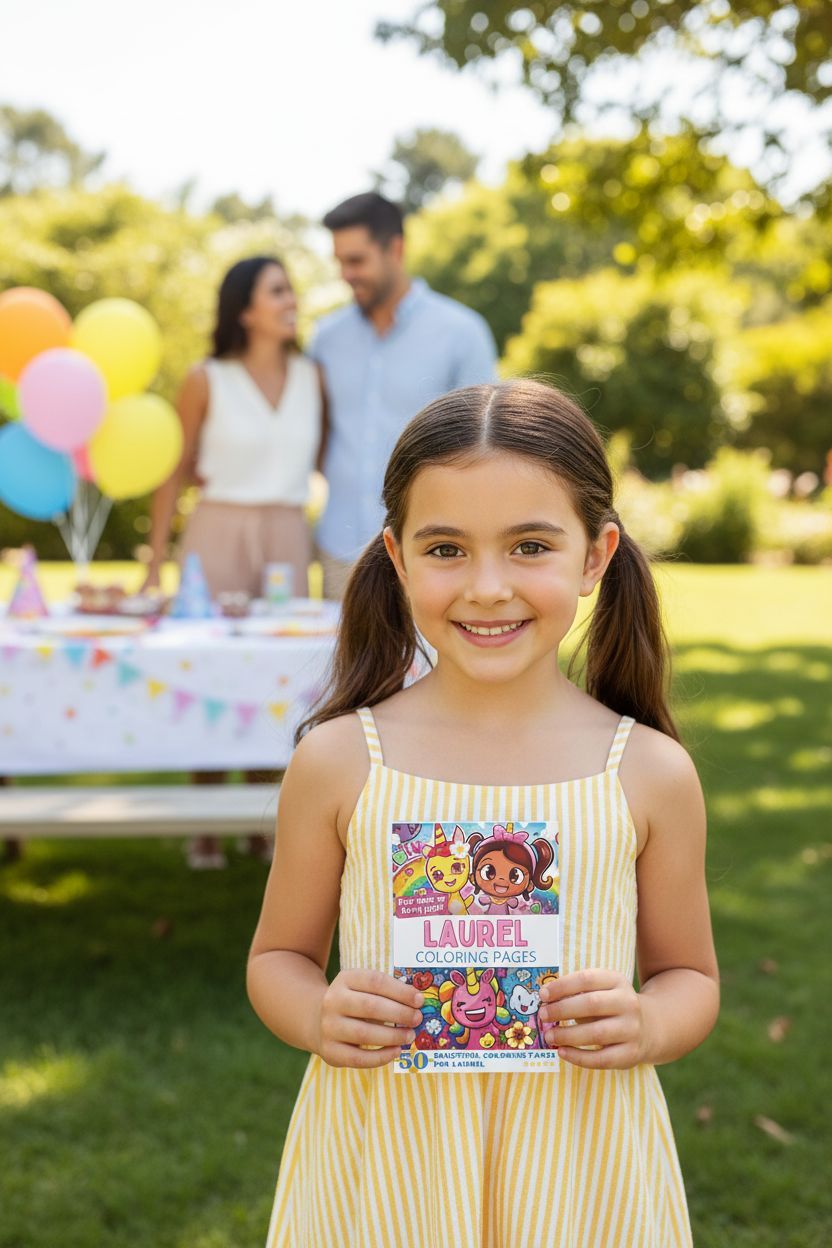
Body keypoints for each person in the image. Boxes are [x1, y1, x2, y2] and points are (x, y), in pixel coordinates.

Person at [247, 379, 719, 1246]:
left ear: (594, 555)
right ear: (395, 556)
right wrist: (318, 1013)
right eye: (447, 549)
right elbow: (278, 956)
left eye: (530, 545)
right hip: (385, 1169)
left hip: (580, 1173)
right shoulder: (341, 761)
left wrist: (649, 1021)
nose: (488, 587)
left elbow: (692, 976)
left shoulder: (648, 772)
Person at [146, 255, 323, 868]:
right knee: (209, 667)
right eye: (277, 290)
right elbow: (172, 470)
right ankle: (205, 825)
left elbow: (320, 455)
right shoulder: (206, 378)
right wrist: (153, 563)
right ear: (244, 309)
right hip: (218, 526)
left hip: (286, 533)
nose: (291, 299)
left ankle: (261, 819)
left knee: (280, 673)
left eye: (290, 288)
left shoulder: (312, 376)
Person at [310, 191, 497, 598]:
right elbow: (317, 432)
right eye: (339, 262)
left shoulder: (462, 333)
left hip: (431, 555)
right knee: (342, 664)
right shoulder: (325, 338)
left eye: (356, 260)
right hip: (340, 551)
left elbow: (487, 446)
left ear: (395, 248)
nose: (346, 274)